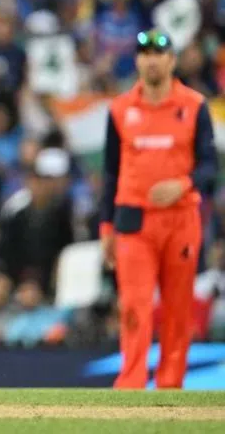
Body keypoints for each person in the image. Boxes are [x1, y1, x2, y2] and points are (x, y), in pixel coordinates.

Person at [100, 29, 216, 389]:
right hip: (133, 219)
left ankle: (170, 385)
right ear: (137, 60)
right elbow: (109, 172)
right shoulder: (120, 110)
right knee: (134, 306)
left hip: (181, 219)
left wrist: (181, 184)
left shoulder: (194, 106)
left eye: (159, 53)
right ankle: (131, 383)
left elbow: (211, 167)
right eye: (144, 53)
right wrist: (106, 228)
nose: (151, 59)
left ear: (172, 60)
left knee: (177, 308)